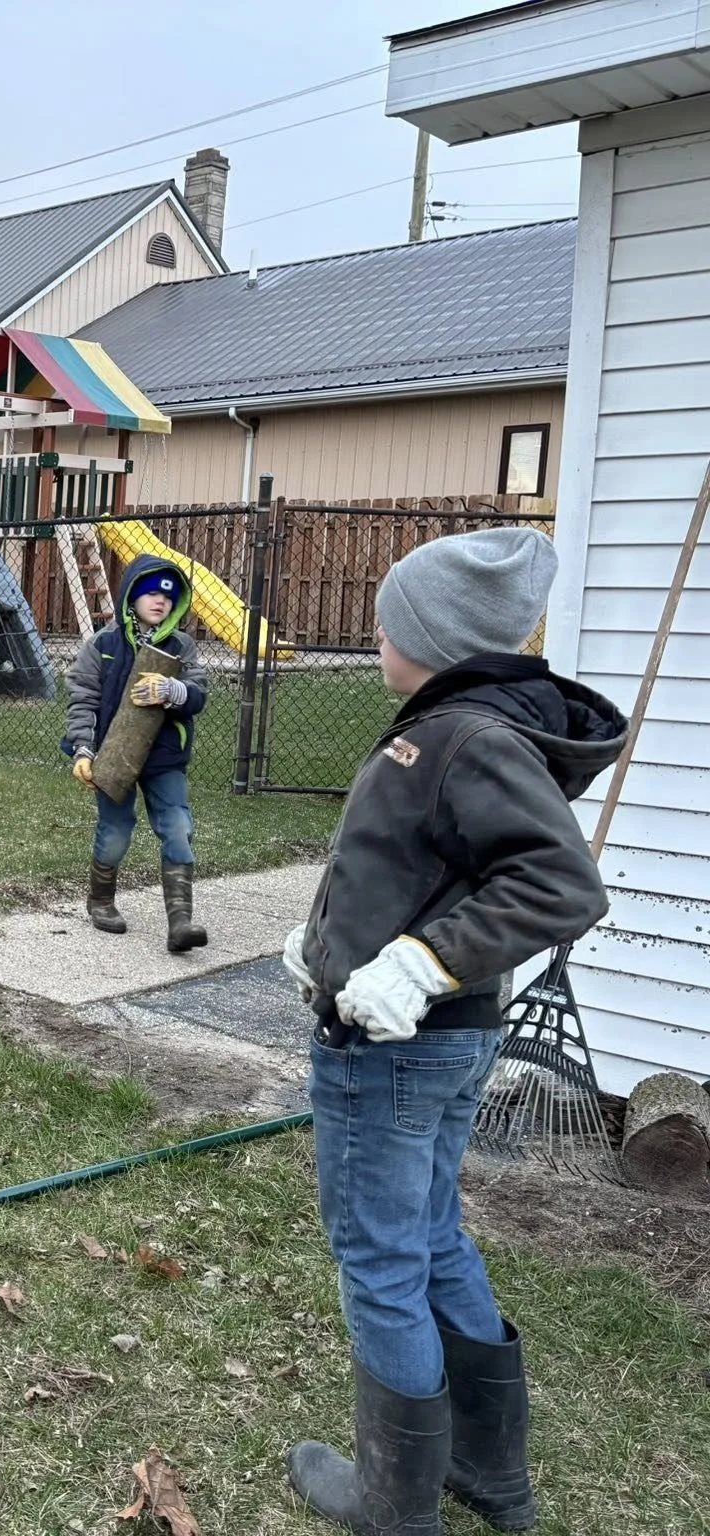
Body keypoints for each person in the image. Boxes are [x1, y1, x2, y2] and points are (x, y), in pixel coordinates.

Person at [281, 528, 623, 1535]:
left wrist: (419, 965)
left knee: (379, 1258)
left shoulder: (464, 738)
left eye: (390, 621)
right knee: (429, 1238)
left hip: (395, 1051)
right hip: (443, 1041)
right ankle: (488, 1474)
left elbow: (559, 885)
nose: (377, 633)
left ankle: (393, 1504)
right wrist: (327, 946)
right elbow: (422, 868)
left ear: (432, 639)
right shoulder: (450, 731)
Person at [63, 558, 210, 951]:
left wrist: (174, 691)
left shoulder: (181, 646)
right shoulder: (103, 644)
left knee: (178, 827)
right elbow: (83, 698)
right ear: (131, 595)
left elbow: (198, 693)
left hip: (164, 757)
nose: (160, 601)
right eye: (151, 593)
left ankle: (181, 922)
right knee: (115, 831)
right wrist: (83, 749)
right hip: (114, 755)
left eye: (168, 596)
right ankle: (100, 900)